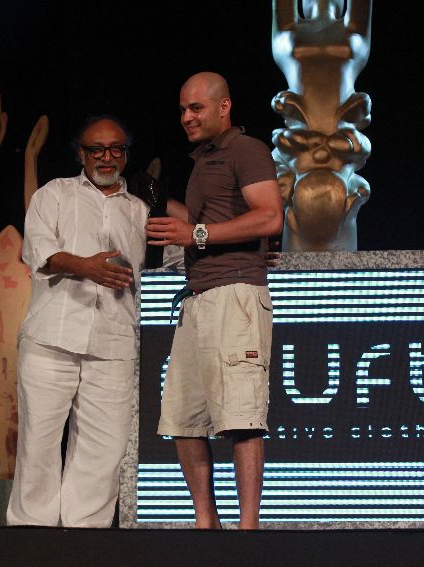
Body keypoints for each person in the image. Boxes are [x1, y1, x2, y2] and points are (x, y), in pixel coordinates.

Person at [146, 72, 283, 529]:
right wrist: (162, 207)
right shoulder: (204, 159)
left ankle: (248, 530)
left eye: (196, 108)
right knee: (182, 419)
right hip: (199, 297)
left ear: (224, 107)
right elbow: (208, 222)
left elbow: (270, 216)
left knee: (241, 417)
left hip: (235, 294)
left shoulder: (246, 150)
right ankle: (207, 524)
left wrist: (197, 233)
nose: (187, 117)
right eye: (182, 109)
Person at [6, 116, 147, 527]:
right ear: (81, 154)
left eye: (116, 149)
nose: (106, 157)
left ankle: (86, 537)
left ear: (126, 154)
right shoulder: (54, 194)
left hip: (114, 343)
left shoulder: (141, 210)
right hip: (52, 338)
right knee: (38, 441)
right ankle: (32, 534)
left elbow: (174, 259)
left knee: (104, 450)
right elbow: (40, 251)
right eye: (96, 149)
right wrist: (86, 267)